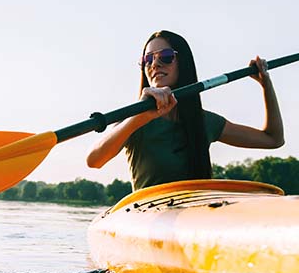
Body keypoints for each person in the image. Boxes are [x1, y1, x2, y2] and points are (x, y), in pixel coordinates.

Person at [86, 30, 285, 190]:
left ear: (183, 64)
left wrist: (266, 84)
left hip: (195, 213)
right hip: (149, 215)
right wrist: (139, 117)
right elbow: (94, 160)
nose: (154, 64)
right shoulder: (133, 119)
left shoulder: (205, 121)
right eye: (148, 59)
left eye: (165, 57)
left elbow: (273, 139)